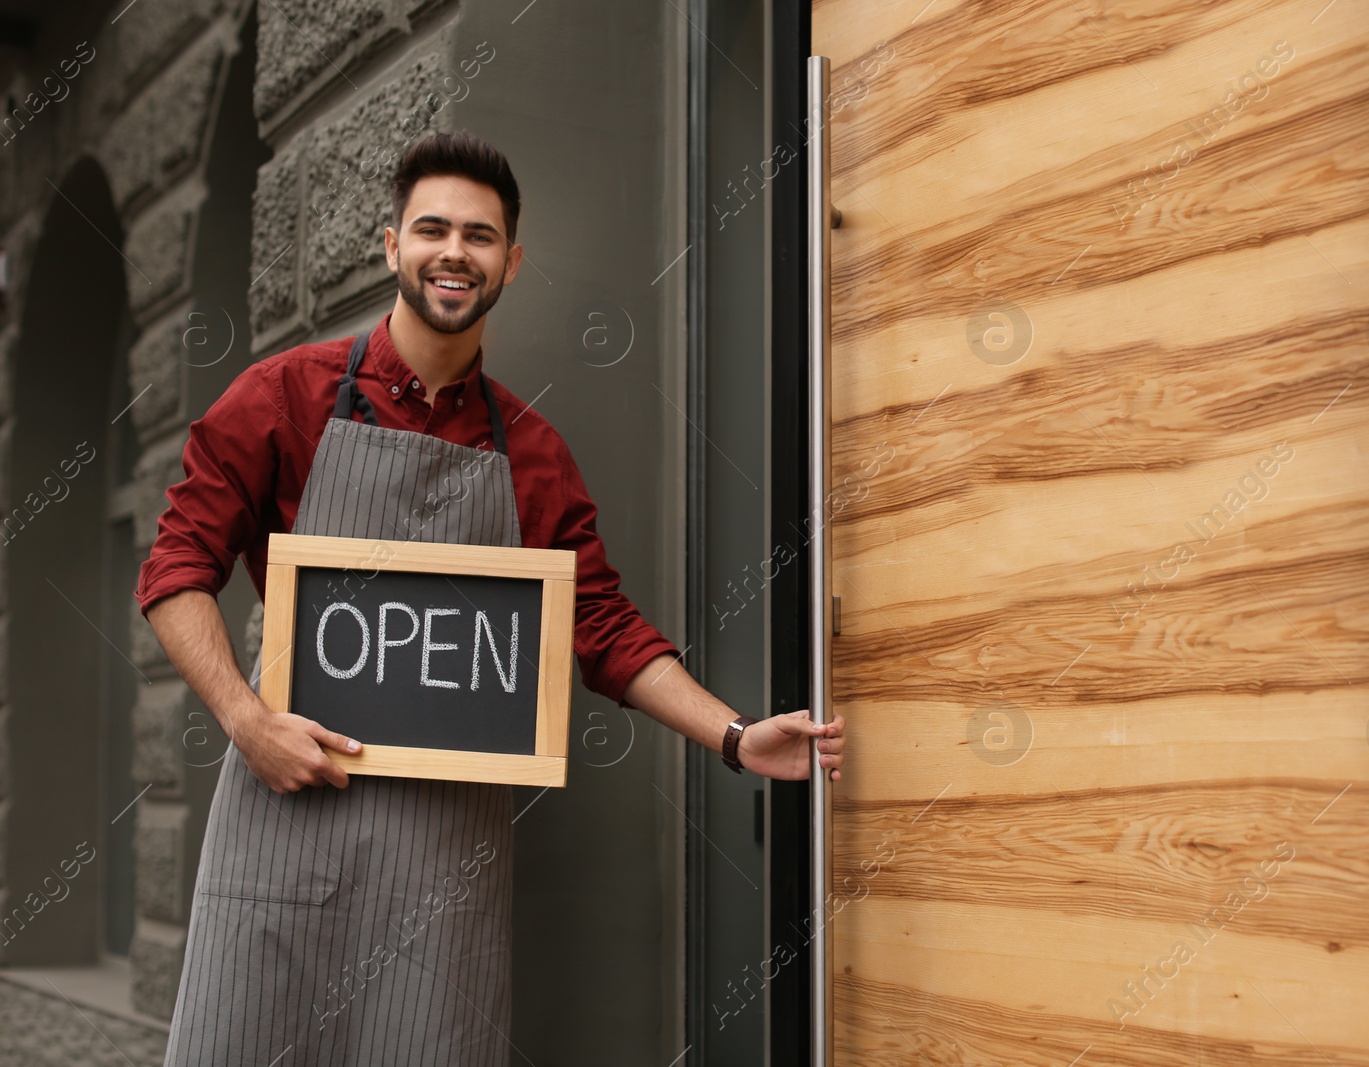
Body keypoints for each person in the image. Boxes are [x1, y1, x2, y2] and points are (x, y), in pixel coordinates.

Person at [136, 129, 846, 1065]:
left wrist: (735, 734)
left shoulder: (533, 451)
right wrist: (244, 718)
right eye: (432, 229)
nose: (453, 252)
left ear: (510, 260)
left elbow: (600, 627)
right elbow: (176, 565)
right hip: (288, 815)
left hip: (443, 865)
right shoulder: (285, 399)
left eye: (479, 235)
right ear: (392, 245)